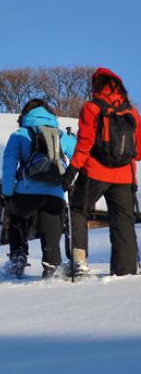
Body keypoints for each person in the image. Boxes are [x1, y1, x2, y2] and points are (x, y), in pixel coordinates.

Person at [62, 68, 141, 277]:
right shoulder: (131, 112)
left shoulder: (91, 108)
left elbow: (85, 144)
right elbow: (139, 152)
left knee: (78, 209)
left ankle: (78, 262)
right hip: (124, 176)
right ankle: (127, 269)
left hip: (94, 172)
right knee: (123, 220)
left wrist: (71, 171)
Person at [1, 99, 77, 278]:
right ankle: (52, 263)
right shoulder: (61, 135)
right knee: (52, 222)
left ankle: (18, 255)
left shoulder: (19, 134)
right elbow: (79, 158)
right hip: (55, 192)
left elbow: (9, 165)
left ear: (26, 115)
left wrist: (7, 193)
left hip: (26, 191)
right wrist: (69, 181)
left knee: (18, 217)